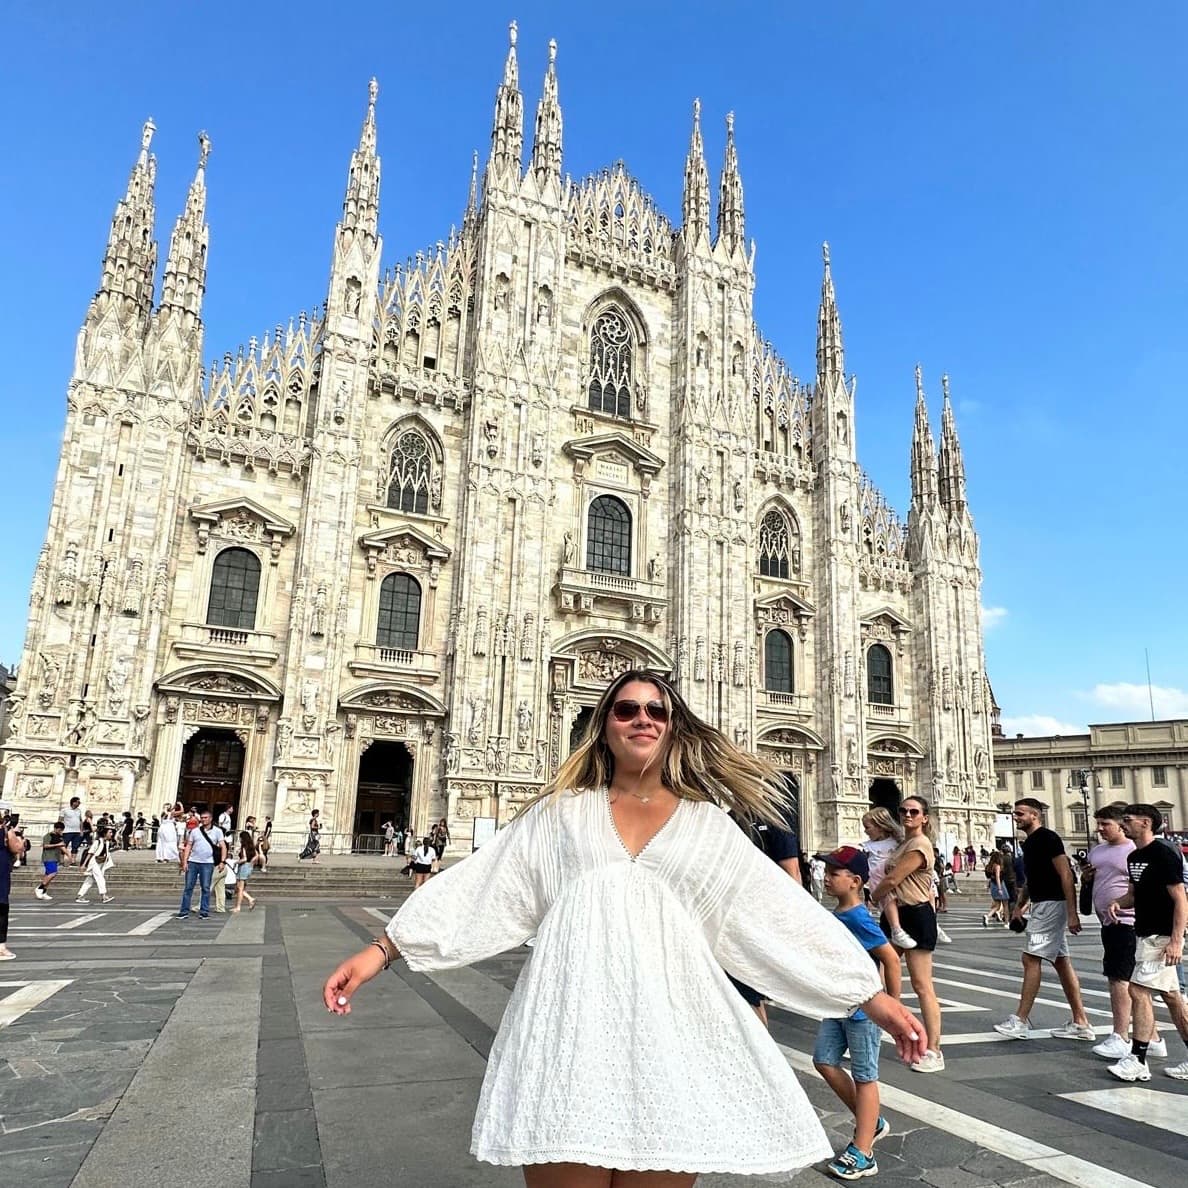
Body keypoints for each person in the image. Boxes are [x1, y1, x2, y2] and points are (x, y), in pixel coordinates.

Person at [323, 669, 926, 1185]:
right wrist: (382, 949)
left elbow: (774, 913)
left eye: (657, 711)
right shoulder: (562, 814)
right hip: (568, 1035)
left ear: (673, 727)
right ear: (604, 725)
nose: (643, 719)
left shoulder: (707, 824)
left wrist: (871, 998)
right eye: (627, 709)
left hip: (674, 1037)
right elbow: (489, 882)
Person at [813, 846, 899, 1181]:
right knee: (824, 1061)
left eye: (834, 873)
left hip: (864, 1010)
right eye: (827, 872)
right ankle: (871, 1121)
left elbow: (890, 958)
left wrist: (892, 1004)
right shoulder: (837, 914)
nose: (826, 878)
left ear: (855, 881)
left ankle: (863, 1152)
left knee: (865, 1076)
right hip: (838, 1004)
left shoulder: (859, 918)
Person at [993, 798, 1094, 1041]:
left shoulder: (1048, 838)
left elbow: (1066, 874)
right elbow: (1032, 879)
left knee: (1030, 958)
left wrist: (1072, 913)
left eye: (1020, 813)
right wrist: (1019, 906)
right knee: (1061, 962)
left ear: (1035, 815)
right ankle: (1080, 1022)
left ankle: (1020, 1020)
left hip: (1051, 904)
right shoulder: (1030, 843)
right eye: (1015, 813)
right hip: (1043, 903)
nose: (1015, 817)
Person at [1105, 803, 1188, 1081]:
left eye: (1128, 819)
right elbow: (1134, 894)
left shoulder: (1164, 852)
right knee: (1172, 998)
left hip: (1161, 937)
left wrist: (1176, 940)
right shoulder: (1134, 856)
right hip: (1144, 933)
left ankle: (1138, 1059)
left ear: (1146, 823)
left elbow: (1180, 899)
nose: (1123, 824)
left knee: (1138, 990)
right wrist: (1118, 902)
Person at [868, 795, 944, 1072]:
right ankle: (873, 1033)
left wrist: (872, 896)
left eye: (913, 811)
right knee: (873, 975)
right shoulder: (902, 843)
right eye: (903, 811)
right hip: (896, 916)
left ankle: (934, 1051)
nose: (907, 815)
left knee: (922, 985)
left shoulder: (920, 845)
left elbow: (893, 879)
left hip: (916, 915)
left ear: (925, 817)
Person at [727, 800, 804, 1025]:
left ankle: (759, 1044)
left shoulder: (772, 817)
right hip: (731, 915)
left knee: (746, 991)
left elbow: (792, 872)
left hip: (760, 916)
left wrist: (791, 920)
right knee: (740, 990)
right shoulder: (727, 818)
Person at [862, 808, 918, 949]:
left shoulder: (898, 842)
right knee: (889, 898)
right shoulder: (867, 846)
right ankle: (896, 929)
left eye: (867, 827)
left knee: (929, 890)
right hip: (880, 881)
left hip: (896, 877)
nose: (865, 831)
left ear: (881, 827)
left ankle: (933, 922)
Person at [176, 809, 226, 920]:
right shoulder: (195, 831)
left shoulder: (217, 831)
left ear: (210, 819)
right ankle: (184, 911)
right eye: (202, 818)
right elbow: (188, 846)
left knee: (206, 888)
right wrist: (184, 861)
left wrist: (222, 861)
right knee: (188, 887)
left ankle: (204, 911)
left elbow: (223, 846)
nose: (203, 820)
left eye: (205, 818)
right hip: (193, 862)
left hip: (208, 863)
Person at [0, 812, 22, 959]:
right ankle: (1, 948)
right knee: (1, 911)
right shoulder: (6, 831)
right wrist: (15, 833)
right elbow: (17, 848)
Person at [75, 826, 116, 904]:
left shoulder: (107, 842)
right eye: (110, 832)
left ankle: (80, 895)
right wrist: (84, 864)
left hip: (101, 863)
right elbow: (90, 853)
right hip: (94, 863)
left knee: (89, 880)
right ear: (105, 833)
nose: (111, 834)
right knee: (100, 878)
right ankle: (104, 896)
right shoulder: (98, 842)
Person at [35, 821, 67, 901]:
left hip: (55, 857)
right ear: (55, 828)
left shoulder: (59, 837)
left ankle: (44, 892)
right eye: (59, 830)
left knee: (48, 876)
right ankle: (40, 888)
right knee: (53, 873)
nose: (60, 831)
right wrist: (57, 845)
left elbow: (62, 846)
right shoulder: (48, 836)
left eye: (61, 830)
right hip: (49, 857)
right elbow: (45, 845)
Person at [232, 830, 258, 913]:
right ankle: (250, 899)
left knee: (240, 888)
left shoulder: (244, 847)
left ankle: (238, 906)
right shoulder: (251, 847)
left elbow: (244, 859)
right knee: (238, 887)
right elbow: (257, 855)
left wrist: (236, 862)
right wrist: (252, 863)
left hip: (243, 867)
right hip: (248, 867)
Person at [982, 851, 1010, 926]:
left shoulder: (990, 866)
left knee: (997, 905)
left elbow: (990, 878)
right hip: (999, 885)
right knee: (1005, 904)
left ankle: (987, 916)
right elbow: (998, 877)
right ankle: (1006, 922)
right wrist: (1000, 889)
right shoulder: (997, 866)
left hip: (993, 885)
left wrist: (988, 886)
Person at [61, 796, 84, 865]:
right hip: (67, 831)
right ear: (73, 802)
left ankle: (73, 861)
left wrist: (81, 830)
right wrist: (60, 831)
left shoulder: (79, 810)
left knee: (75, 847)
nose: (79, 803)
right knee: (64, 846)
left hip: (77, 831)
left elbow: (81, 821)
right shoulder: (65, 810)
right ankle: (61, 860)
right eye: (78, 802)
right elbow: (60, 820)